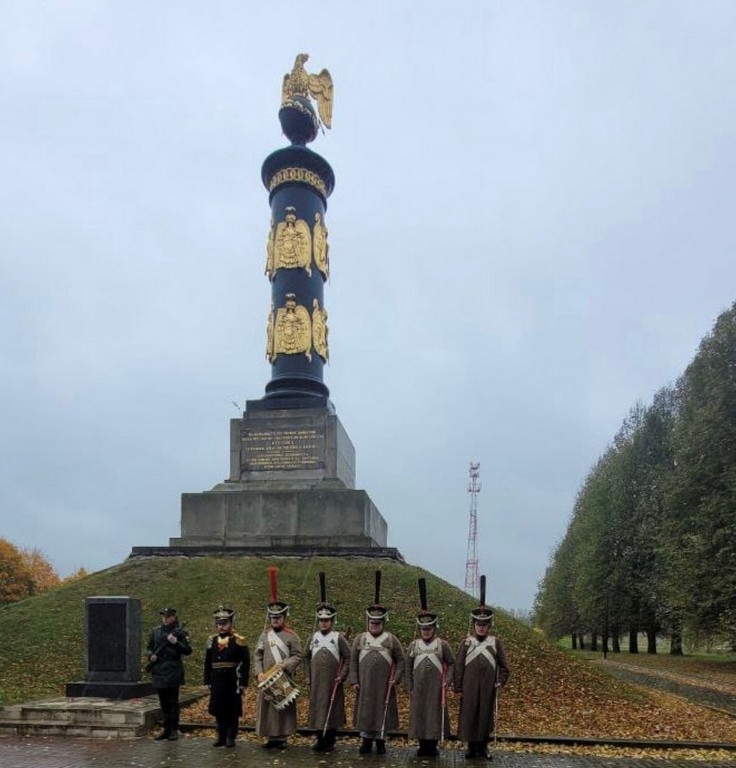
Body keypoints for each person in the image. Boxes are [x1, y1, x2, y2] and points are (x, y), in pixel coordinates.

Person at [454, 594, 510, 760]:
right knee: (469, 715)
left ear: (489, 626)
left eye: (484, 625)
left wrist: (500, 681)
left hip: (487, 688)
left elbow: (504, 667)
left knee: (485, 717)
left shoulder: (495, 643)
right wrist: (458, 687)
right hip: (469, 687)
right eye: (478, 624)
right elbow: (458, 666)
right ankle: (471, 748)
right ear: (474, 625)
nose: (481, 628)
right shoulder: (466, 643)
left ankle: (483, 748)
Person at [349, 594, 405, 755]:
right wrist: (354, 680)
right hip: (365, 684)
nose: (374, 625)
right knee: (366, 712)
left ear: (383, 623)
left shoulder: (391, 640)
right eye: (371, 622)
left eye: (377, 623)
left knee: (383, 712)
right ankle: (366, 741)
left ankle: (381, 741)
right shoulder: (360, 639)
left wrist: (396, 678)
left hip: (384, 685)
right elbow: (353, 660)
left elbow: (400, 660)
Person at [405, 605, 455, 757]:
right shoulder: (414, 645)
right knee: (420, 714)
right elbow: (408, 666)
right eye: (423, 628)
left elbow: (452, 663)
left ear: (434, 628)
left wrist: (447, 681)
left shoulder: (442, 645)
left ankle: (432, 745)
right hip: (419, 687)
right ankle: (422, 745)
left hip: (436, 687)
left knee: (433, 715)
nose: (426, 631)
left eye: (429, 628)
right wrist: (409, 685)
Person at [254, 597, 302, 749]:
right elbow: (257, 656)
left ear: (284, 618)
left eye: (278, 617)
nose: (275, 620)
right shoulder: (264, 635)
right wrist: (259, 673)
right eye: (273, 617)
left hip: (284, 678)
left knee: (283, 709)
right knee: (269, 709)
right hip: (267, 678)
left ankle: (282, 737)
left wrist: (286, 664)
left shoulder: (291, 636)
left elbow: (298, 655)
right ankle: (271, 737)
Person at [305, 599, 350, 752]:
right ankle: (320, 739)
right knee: (318, 709)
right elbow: (306, 656)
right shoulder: (313, 637)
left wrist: (342, 675)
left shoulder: (338, 637)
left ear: (332, 621)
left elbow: (348, 657)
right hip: (317, 682)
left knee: (332, 709)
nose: (324, 623)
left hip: (333, 682)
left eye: (327, 621)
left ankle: (330, 740)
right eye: (321, 621)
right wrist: (307, 675)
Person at [203, 606, 250, 748]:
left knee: (232, 710)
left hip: (232, 679)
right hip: (217, 679)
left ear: (231, 623)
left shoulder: (238, 640)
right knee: (218, 709)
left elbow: (245, 663)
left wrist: (242, 682)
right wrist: (207, 680)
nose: (222, 626)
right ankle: (221, 736)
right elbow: (207, 662)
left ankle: (231, 736)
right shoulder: (212, 640)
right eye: (219, 623)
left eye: (225, 623)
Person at [146, 607, 192, 741]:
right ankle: (166, 729)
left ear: (173, 617)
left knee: (173, 703)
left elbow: (188, 650)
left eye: (168, 616)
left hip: (173, 671)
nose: (165, 619)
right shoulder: (155, 631)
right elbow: (149, 647)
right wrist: (151, 656)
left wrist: (176, 642)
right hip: (159, 671)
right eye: (163, 616)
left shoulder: (180, 632)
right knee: (164, 702)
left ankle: (173, 730)